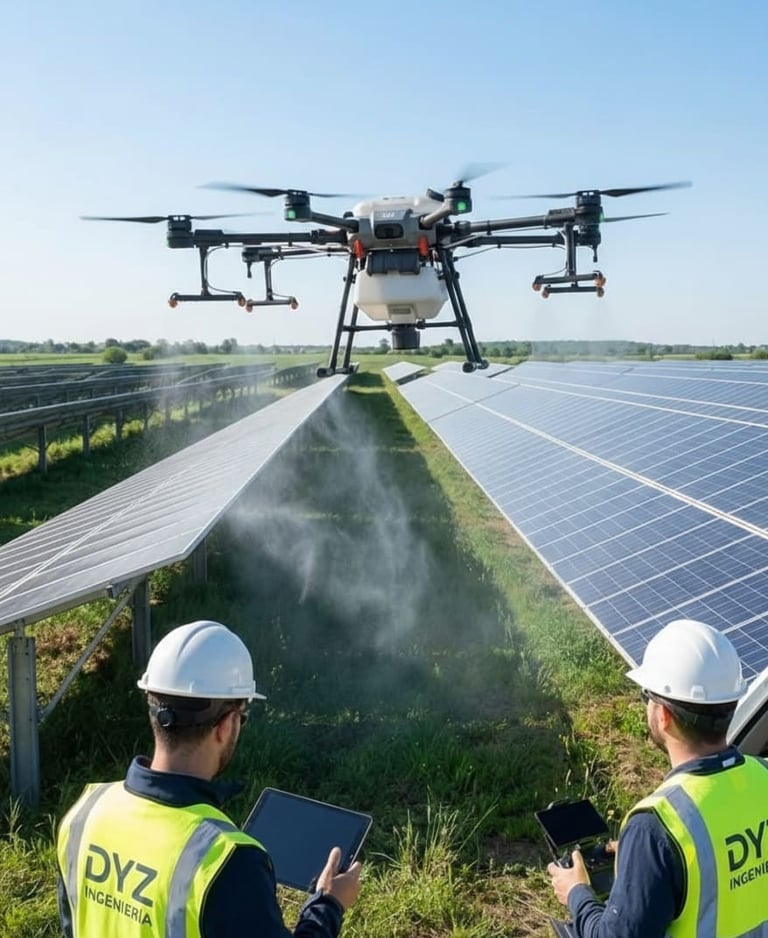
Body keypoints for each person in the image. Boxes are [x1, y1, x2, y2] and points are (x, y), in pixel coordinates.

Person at [56, 619, 361, 937]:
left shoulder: (84, 813)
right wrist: (327, 905)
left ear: (153, 709)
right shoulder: (230, 861)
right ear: (227, 724)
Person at [548, 617, 768, 938]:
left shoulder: (657, 824)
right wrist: (652, 861)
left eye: (646, 698)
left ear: (662, 715)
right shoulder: (763, 772)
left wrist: (577, 893)